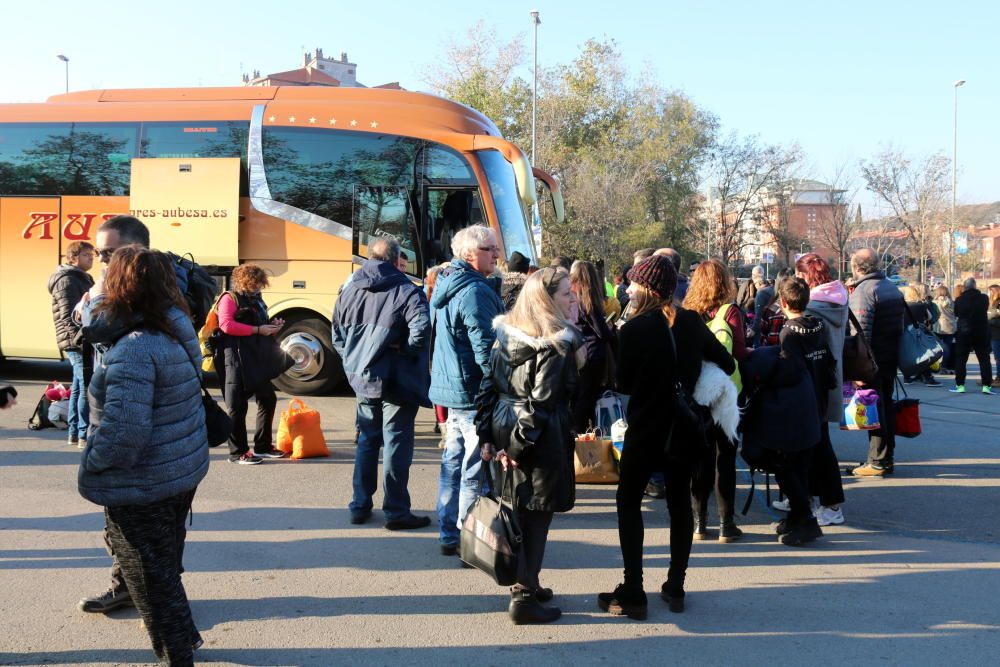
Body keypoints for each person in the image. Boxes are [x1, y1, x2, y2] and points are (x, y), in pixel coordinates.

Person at [78, 246, 208, 664]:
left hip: (144, 480)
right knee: (164, 569)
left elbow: (123, 435)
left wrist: (92, 460)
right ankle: (186, 639)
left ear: (118, 285)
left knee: (150, 582)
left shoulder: (135, 346)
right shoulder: (174, 324)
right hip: (179, 469)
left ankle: (177, 655)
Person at [598, 255, 735, 619]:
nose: (627, 288)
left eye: (633, 283)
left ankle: (634, 587)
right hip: (685, 428)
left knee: (628, 502)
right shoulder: (691, 322)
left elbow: (622, 383)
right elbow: (728, 363)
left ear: (646, 288)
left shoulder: (633, 330)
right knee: (679, 504)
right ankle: (675, 585)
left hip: (645, 428)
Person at [477, 267, 581, 624]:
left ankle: (528, 583)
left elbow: (487, 389)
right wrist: (515, 449)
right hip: (536, 436)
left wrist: (489, 437)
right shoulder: (556, 344)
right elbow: (541, 404)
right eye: (567, 293)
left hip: (507, 426)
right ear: (547, 300)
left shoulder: (506, 334)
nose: (574, 298)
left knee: (516, 509)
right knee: (535, 515)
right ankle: (523, 597)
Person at [332, 238, 432, 529]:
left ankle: (360, 505)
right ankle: (396, 511)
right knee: (395, 445)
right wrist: (407, 350)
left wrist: (354, 359)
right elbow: (422, 328)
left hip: (362, 377)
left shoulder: (349, 289)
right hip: (397, 379)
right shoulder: (406, 291)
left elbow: (336, 333)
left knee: (367, 441)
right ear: (397, 258)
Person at [430, 225, 505, 555]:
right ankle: (466, 538)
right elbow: (485, 348)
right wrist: (499, 386)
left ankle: (449, 532)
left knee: (452, 464)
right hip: (470, 391)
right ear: (470, 254)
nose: (497, 254)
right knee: (472, 468)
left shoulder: (447, 284)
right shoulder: (474, 291)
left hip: (449, 388)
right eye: (490, 249)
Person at [745, 277, 833, 547]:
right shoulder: (817, 324)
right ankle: (797, 516)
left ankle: (805, 520)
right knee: (801, 464)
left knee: (788, 466)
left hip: (794, 403)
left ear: (782, 302)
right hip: (814, 398)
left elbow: (789, 369)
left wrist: (763, 359)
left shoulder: (789, 332)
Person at [682, 259, 750, 542]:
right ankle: (727, 524)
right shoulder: (730, 312)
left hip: (697, 392)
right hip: (726, 391)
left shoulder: (687, 313)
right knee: (725, 458)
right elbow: (741, 354)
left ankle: (699, 523)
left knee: (699, 457)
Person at [795, 253, 848, 526]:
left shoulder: (814, 307)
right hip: (830, 377)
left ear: (807, 276)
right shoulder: (838, 298)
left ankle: (830, 504)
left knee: (819, 445)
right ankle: (812, 498)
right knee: (817, 441)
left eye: (799, 275)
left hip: (816, 380)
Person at [215, 264, 287, 464]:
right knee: (237, 406)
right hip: (235, 357)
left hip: (255, 356)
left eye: (260, 283)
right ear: (243, 282)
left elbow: (259, 323)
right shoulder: (230, 298)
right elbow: (226, 325)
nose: (258, 287)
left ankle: (263, 446)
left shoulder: (256, 299)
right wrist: (257, 330)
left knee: (268, 398)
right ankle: (238, 452)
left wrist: (273, 327)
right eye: (255, 283)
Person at [848, 249, 905, 477]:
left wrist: (858, 368)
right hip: (890, 356)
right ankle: (884, 457)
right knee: (885, 406)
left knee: (876, 409)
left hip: (873, 360)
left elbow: (860, 333)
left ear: (858, 268)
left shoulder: (864, 291)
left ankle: (878, 461)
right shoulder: (890, 286)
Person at [48, 240, 95, 448]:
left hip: (81, 339)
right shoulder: (67, 280)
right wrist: (81, 338)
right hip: (75, 340)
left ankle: (74, 432)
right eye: (86, 255)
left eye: (92, 255)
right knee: (86, 385)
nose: (91, 258)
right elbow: (69, 316)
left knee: (78, 386)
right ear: (72, 258)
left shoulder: (82, 277)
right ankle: (84, 434)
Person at [569, 260, 616, 434]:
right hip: (594, 353)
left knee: (581, 394)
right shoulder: (588, 301)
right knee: (589, 396)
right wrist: (611, 329)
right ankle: (584, 431)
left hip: (579, 352)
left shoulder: (571, 299)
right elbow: (601, 332)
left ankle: (578, 430)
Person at [950, 278, 994, 394]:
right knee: (984, 359)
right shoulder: (984, 298)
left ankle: (960, 385)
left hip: (964, 331)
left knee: (961, 359)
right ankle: (986, 386)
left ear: (964, 287)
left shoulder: (959, 300)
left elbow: (956, 313)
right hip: (981, 331)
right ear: (975, 286)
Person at [901, 285, 943, 387]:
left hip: (905, 334)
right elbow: (930, 317)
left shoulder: (902, 305)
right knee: (924, 354)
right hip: (918, 332)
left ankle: (907, 377)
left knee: (908, 355)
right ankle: (927, 377)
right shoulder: (921, 305)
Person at [933, 285, 958, 374]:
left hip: (938, 328)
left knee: (935, 348)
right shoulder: (952, 302)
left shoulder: (935, 302)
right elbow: (956, 314)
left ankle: (933, 366)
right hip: (950, 328)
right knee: (948, 349)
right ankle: (944, 367)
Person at [989, 285, 1000, 388]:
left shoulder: (998, 304)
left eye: (990, 292)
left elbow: (994, 318)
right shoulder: (992, 304)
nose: (989, 294)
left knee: (998, 357)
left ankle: (999, 377)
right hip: (992, 334)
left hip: (997, 334)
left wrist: (991, 320)